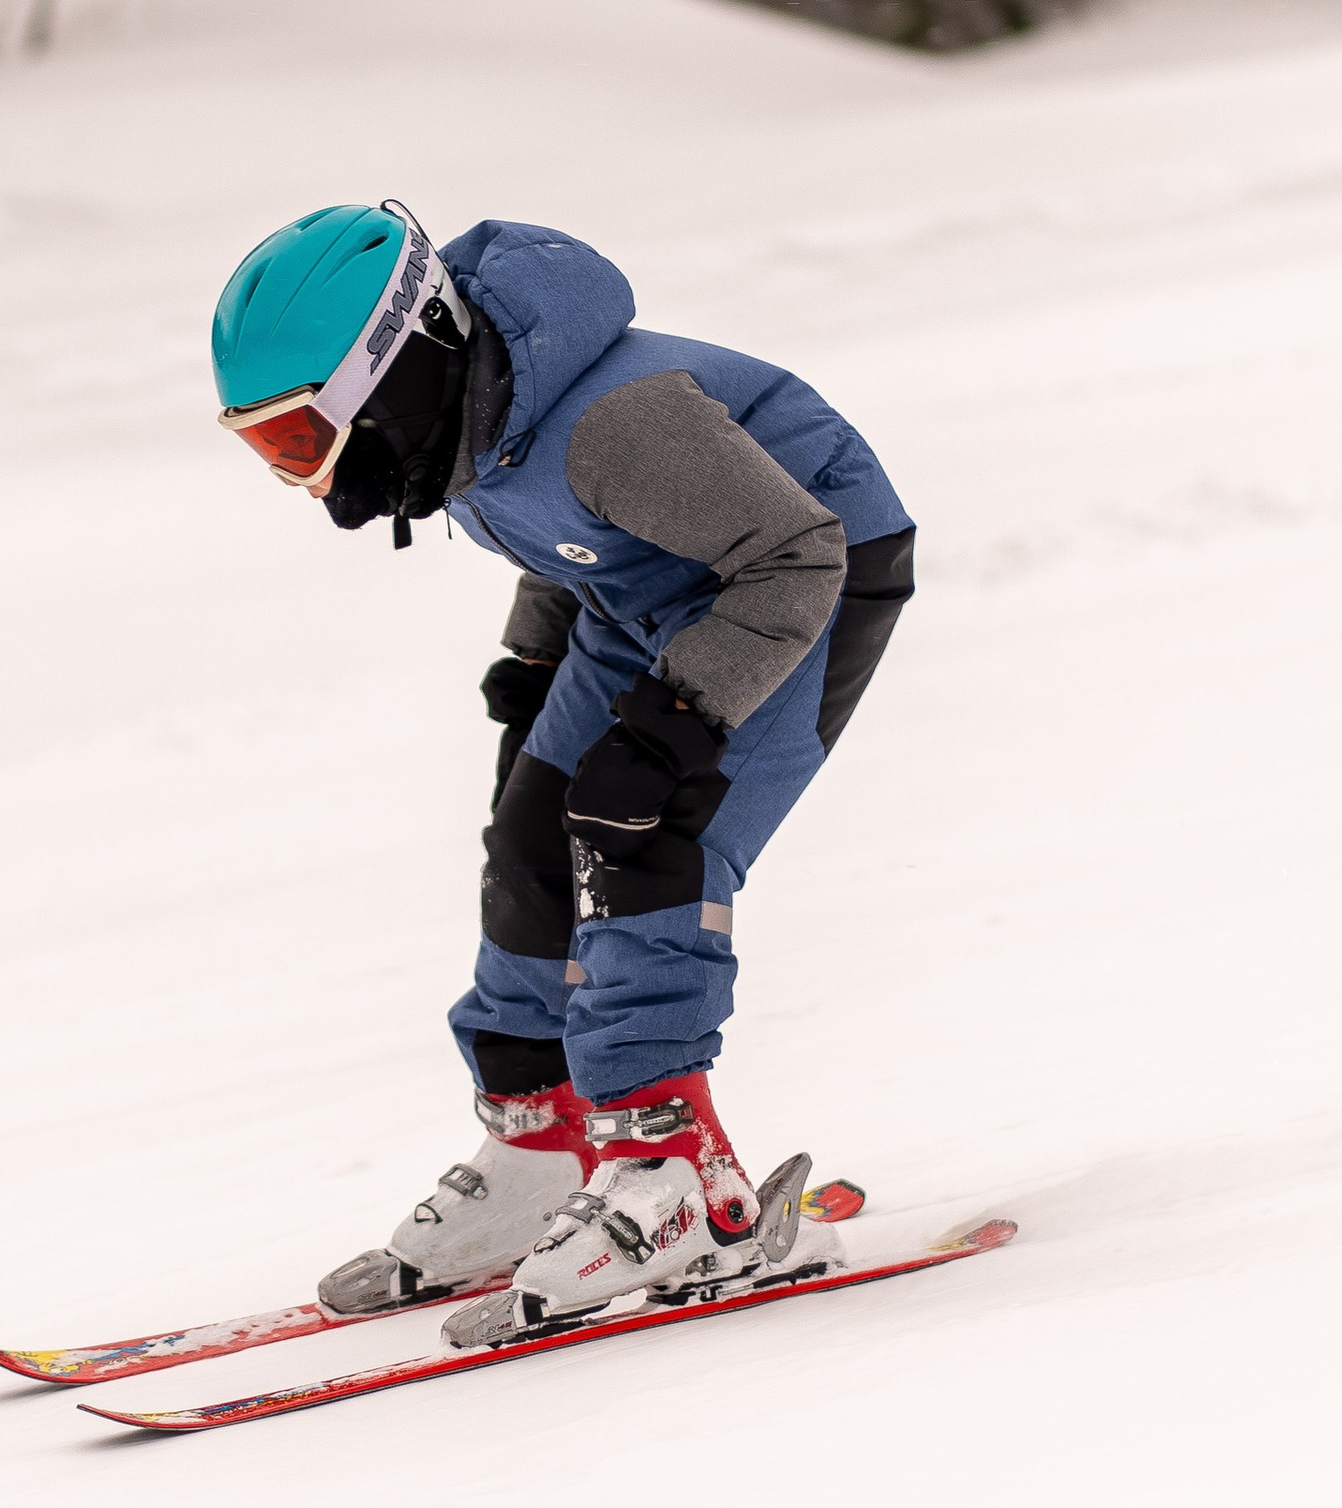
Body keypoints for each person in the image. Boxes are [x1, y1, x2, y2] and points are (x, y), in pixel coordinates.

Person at [211, 199, 915, 1347]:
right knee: (534, 836)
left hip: (797, 582)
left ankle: (674, 1174)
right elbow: (566, 532)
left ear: (391, 380)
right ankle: (543, 1146)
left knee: (645, 835)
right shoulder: (475, 425)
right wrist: (535, 653)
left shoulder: (617, 425)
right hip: (647, 595)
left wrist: (681, 719)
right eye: (273, 451)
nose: (316, 485)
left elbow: (791, 552)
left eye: (305, 441)